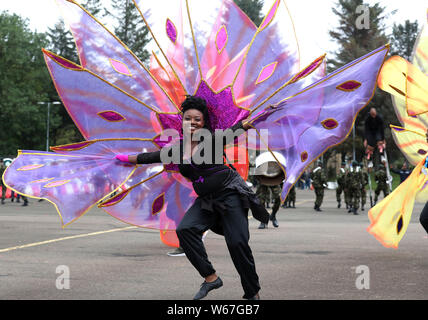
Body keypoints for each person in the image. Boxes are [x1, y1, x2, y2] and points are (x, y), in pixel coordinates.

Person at [115, 96, 269, 300]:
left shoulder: (212, 140)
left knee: (237, 243)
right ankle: (211, 278)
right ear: (183, 122)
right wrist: (125, 159)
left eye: (198, 119)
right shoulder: (177, 150)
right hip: (207, 201)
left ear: (204, 122)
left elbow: (238, 128)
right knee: (185, 230)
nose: (193, 122)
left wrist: (262, 115)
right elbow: (151, 157)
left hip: (231, 195)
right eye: (188, 118)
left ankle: (252, 293)